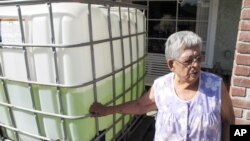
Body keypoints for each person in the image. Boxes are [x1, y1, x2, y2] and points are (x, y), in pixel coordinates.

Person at [90, 31, 235, 141]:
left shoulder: (215, 86)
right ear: (172, 64)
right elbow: (140, 105)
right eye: (188, 60)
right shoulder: (161, 86)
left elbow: (229, 120)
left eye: (198, 58)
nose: (195, 65)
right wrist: (107, 110)